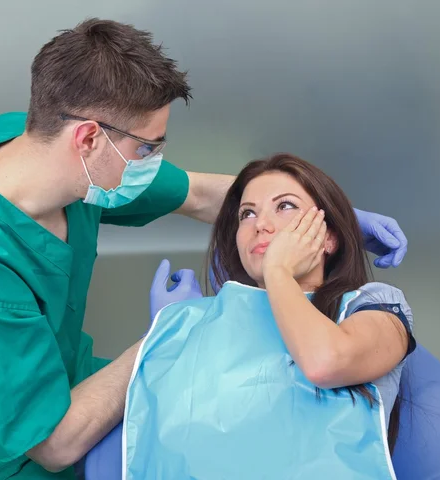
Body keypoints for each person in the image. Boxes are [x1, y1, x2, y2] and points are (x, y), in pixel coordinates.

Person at [0, 19, 406, 480]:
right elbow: (53, 444)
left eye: (283, 212)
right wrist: (164, 337)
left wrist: (334, 211)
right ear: (87, 139)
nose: (263, 225)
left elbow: (198, 194)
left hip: (54, 371)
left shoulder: (36, 145)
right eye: (146, 148)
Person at [123, 153, 415, 479]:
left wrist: (278, 270)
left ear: (329, 237)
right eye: (247, 214)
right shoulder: (197, 323)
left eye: (286, 206)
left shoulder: (372, 304)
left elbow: (324, 362)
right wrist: (171, 338)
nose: (260, 224)